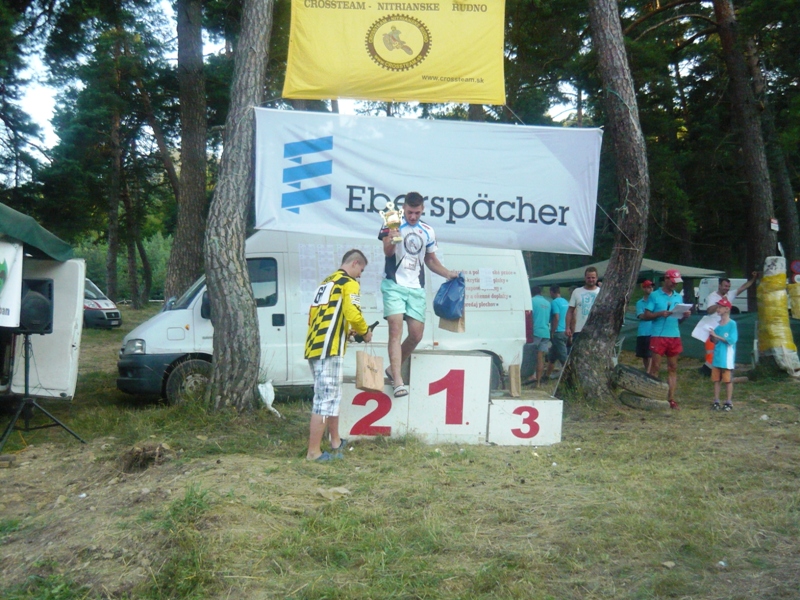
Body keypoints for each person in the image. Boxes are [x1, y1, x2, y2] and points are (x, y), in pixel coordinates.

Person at [379, 191, 458, 398]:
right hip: (394, 283)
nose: (413, 216)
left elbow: (430, 260)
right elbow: (387, 252)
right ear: (403, 209)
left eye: (417, 213)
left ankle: (392, 368)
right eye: (409, 212)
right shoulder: (392, 223)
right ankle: (397, 380)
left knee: (416, 334)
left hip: (416, 287)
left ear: (422, 210)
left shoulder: (427, 231)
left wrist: (447, 273)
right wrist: (392, 238)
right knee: (395, 329)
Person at [304, 249, 372, 462]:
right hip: (329, 348)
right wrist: (364, 331)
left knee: (332, 396)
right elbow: (353, 313)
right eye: (361, 270)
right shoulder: (349, 283)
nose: (360, 275)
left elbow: (317, 315)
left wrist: (345, 331)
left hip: (314, 344)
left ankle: (335, 441)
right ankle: (313, 452)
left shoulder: (326, 282)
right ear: (355, 263)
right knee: (325, 400)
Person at [643, 269, 692, 410]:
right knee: (656, 366)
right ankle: (652, 396)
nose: (674, 284)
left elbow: (678, 320)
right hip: (658, 335)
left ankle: (671, 399)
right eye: (673, 281)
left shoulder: (678, 297)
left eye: (676, 282)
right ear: (666, 279)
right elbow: (646, 315)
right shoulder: (655, 295)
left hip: (674, 335)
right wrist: (660, 314)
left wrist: (684, 316)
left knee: (673, 367)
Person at [709, 297, 738, 411]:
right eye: (718, 307)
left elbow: (732, 340)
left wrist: (716, 336)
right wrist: (712, 336)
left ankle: (728, 402)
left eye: (721, 307)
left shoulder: (732, 324)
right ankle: (716, 401)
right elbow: (715, 341)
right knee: (716, 379)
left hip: (727, 357)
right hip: (717, 355)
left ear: (727, 309)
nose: (718, 309)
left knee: (727, 380)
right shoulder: (716, 324)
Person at [521, 286, 551, 387]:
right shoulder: (547, 303)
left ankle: (527, 376)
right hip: (545, 332)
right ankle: (538, 382)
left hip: (535, 332)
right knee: (540, 358)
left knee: (529, 356)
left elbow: (527, 316)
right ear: (540, 292)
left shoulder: (531, 301)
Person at [565, 267, 600, 346]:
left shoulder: (601, 291)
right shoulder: (577, 291)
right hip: (579, 330)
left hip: (596, 330)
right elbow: (570, 311)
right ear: (585, 278)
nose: (591, 280)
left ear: (597, 278)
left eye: (593, 277)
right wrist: (567, 327)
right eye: (588, 278)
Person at [544, 284, 569, 381]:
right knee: (552, 356)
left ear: (551, 292)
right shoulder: (565, 302)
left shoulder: (554, 302)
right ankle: (547, 376)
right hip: (565, 330)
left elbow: (556, 317)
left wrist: (552, 331)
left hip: (558, 332)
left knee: (563, 357)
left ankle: (569, 376)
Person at [635, 280, 654, 372]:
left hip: (652, 332)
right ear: (643, 288)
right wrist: (652, 316)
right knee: (644, 355)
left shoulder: (655, 302)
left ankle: (649, 373)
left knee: (651, 354)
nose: (650, 289)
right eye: (648, 287)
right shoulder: (639, 303)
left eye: (651, 287)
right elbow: (641, 316)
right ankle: (647, 371)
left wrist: (649, 316)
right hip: (642, 332)